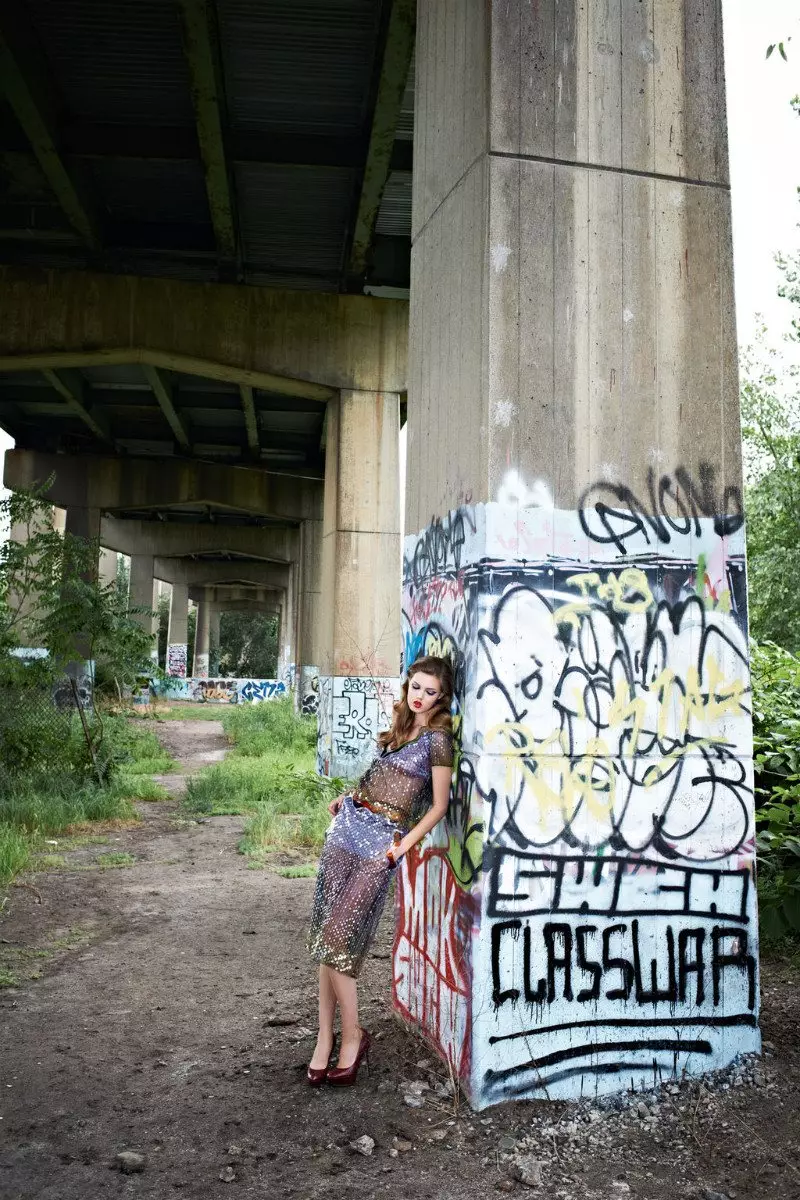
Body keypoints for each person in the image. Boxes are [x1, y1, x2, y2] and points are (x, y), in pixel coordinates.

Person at [305, 655, 455, 1086]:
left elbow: (440, 806)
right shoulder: (397, 729)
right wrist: (347, 796)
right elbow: (379, 780)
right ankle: (323, 1038)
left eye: (431, 691)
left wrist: (401, 847)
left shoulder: (438, 740)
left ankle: (352, 1035)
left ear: (441, 697)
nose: (421, 696)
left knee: (338, 937)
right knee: (326, 937)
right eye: (417, 687)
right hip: (347, 830)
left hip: (382, 844)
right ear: (408, 685)